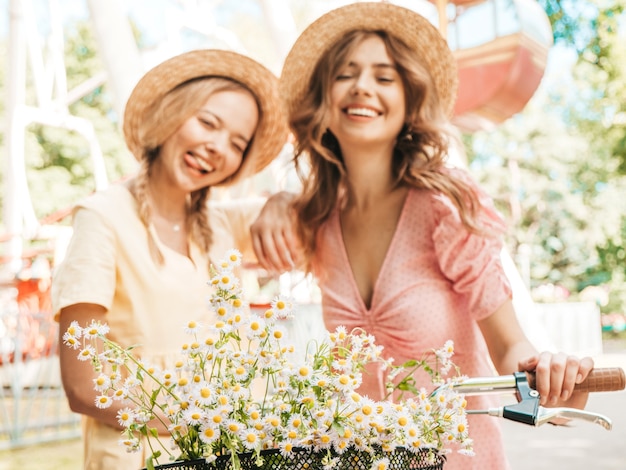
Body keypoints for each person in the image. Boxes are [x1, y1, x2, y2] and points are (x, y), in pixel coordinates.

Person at [250, 3, 594, 469]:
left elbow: (509, 349)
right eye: (345, 74)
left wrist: (550, 374)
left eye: (384, 77)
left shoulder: (444, 205)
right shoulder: (316, 221)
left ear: (410, 102)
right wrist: (276, 202)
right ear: (323, 101)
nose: (363, 87)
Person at [52, 49, 288, 470]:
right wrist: (210, 422)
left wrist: (282, 200)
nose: (217, 146)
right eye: (208, 122)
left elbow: (320, 214)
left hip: (229, 454)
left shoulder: (221, 224)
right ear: (169, 115)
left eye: (237, 143)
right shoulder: (102, 218)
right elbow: (83, 388)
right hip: (142, 456)